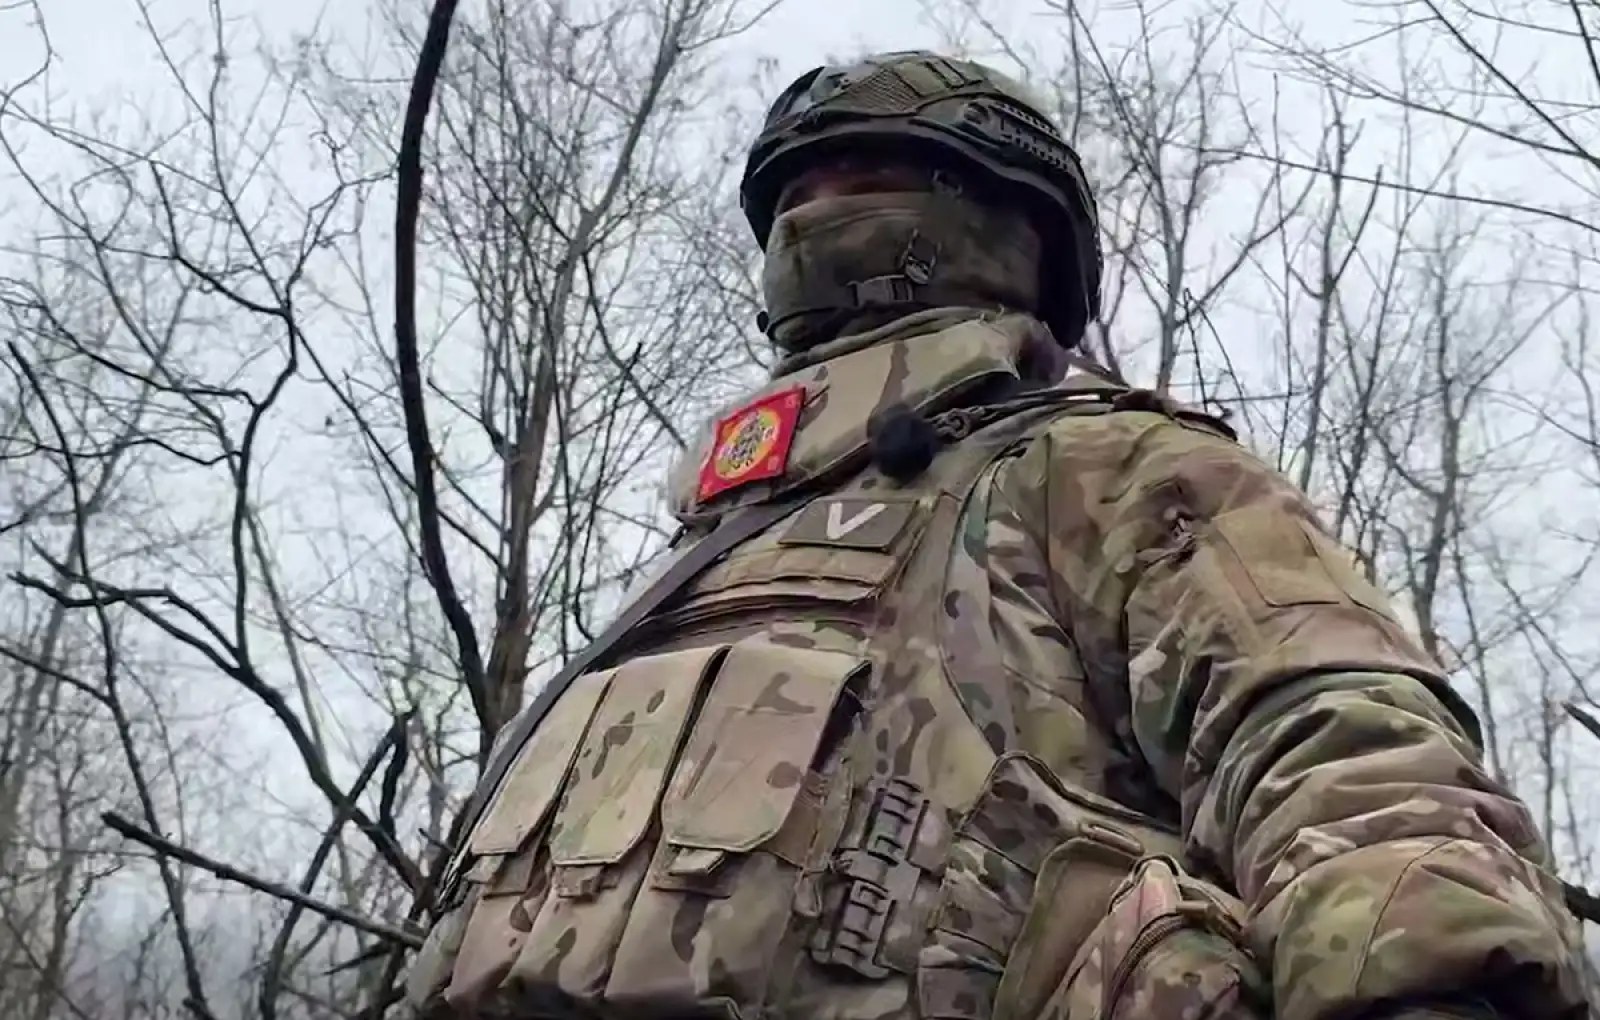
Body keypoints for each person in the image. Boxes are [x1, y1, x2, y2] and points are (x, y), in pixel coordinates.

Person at [403, 51, 1588, 1020]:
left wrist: (1431, 988)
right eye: (797, 190)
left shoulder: (1101, 465)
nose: (817, 210)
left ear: (1001, 221)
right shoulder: (692, 569)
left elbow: (1342, 748)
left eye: (869, 174)